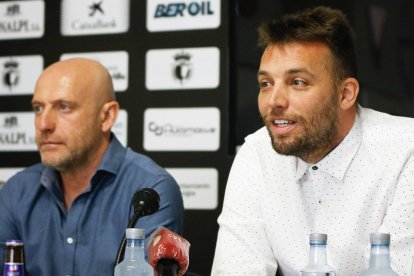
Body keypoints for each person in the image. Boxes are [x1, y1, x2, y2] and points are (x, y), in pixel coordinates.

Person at [212, 6, 414, 276]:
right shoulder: (256, 153)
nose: (274, 101)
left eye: (297, 82)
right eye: (266, 83)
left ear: (346, 94)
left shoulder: (406, 151)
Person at [0, 58, 184, 275]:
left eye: (64, 107)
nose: (43, 124)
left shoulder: (151, 191)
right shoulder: (17, 190)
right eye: (38, 108)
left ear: (106, 116)